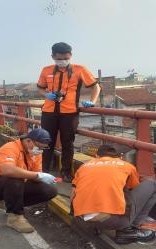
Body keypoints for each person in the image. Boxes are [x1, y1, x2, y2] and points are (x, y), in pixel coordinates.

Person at [37, 42, 101, 182]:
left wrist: (93, 101)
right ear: (53, 56)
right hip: (49, 112)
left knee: (68, 143)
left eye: (66, 58)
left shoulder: (80, 69)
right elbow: (40, 88)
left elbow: (96, 87)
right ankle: (44, 170)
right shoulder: (46, 70)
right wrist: (46, 94)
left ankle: (66, 172)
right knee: (46, 142)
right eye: (59, 59)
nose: (63, 61)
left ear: (70, 56)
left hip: (69, 113)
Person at [71, 145, 156, 244]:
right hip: (109, 220)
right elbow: (132, 189)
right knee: (154, 184)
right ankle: (129, 230)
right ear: (119, 157)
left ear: (97, 156)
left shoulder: (84, 167)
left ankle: (95, 225)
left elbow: (73, 193)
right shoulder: (126, 166)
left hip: (80, 219)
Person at [0, 128, 58, 233]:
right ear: (28, 141)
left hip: (10, 186)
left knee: (50, 190)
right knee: (14, 177)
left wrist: (45, 178)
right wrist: (37, 175)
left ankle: (9, 203)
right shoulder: (10, 148)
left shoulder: (35, 154)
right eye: (38, 147)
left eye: (43, 148)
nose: (40, 150)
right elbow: (7, 170)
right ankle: (15, 218)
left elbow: (36, 175)